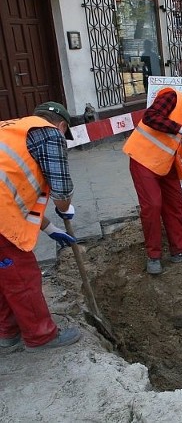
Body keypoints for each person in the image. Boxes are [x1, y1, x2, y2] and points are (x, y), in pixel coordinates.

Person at [0, 102, 82, 352]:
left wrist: (49, 228)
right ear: (62, 126)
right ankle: (40, 336)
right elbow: (60, 187)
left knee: (4, 275)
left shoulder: (13, 130)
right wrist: (65, 206)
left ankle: (7, 335)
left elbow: (13, 191)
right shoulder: (50, 133)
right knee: (22, 277)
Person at [122, 89, 182, 274]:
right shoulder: (174, 99)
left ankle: (180, 250)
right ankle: (154, 256)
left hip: (166, 165)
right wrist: (179, 128)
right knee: (152, 206)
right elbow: (151, 116)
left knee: (176, 205)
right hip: (143, 158)